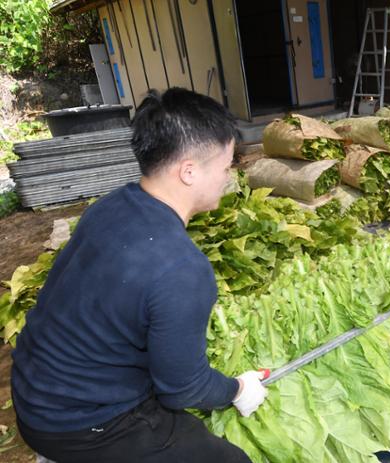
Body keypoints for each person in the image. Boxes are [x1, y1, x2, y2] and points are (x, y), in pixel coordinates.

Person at [11, 88, 267, 462]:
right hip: (81, 424)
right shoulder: (182, 268)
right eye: (227, 166)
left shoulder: (111, 205)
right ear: (189, 171)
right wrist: (237, 389)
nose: (229, 177)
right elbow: (183, 389)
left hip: (33, 393)